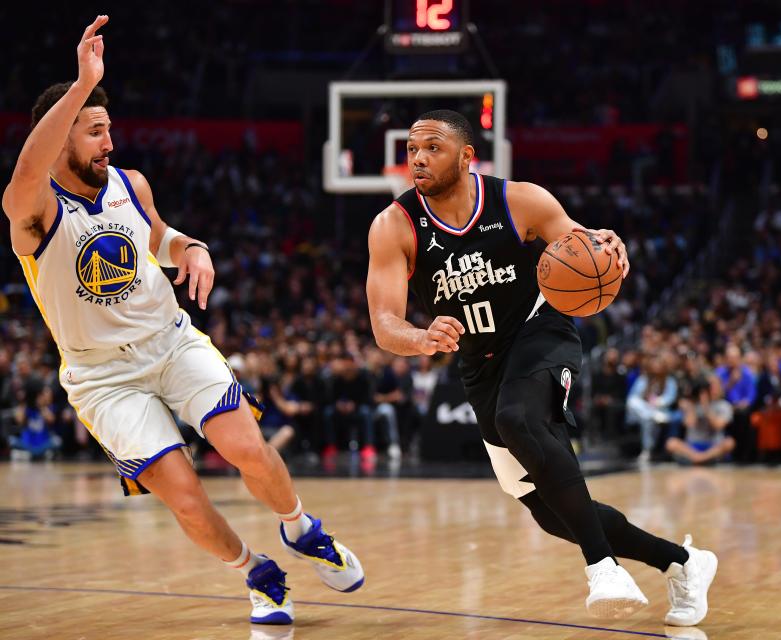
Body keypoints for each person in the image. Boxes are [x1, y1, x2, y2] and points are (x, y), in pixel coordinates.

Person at [1, 16, 362, 625]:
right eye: (94, 131)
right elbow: (24, 176)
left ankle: (302, 529)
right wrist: (82, 83)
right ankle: (259, 574)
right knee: (187, 498)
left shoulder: (129, 182)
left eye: (109, 127)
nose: (109, 141)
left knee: (248, 445)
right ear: (62, 136)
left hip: (170, 343)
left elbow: (160, 238)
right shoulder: (32, 210)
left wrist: (190, 248)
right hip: (102, 379)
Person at [366, 109, 716, 625]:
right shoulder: (393, 226)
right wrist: (418, 338)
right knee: (550, 512)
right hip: (479, 365)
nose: (418, 157)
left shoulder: (519, 199)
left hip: (541, 330)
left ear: (466, 156)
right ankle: (683, 563)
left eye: (433, 147)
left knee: (519, 418)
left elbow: (580, 243)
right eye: (413, 149)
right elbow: (382, 322)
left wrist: (606, 245)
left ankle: (603, 567)